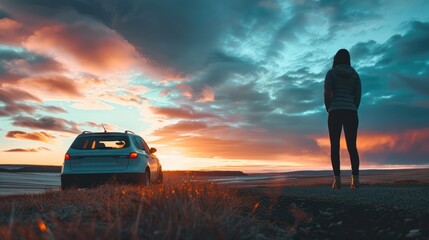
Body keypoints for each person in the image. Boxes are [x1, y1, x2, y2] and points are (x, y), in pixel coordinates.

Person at [324, 49, 362, 189]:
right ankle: (355, 180)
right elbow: (358, 95)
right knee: (352, 146)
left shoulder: (331, 73)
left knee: (335, 146)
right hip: (351, 112)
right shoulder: (355, 75)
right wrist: (353, 107)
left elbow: (327, 92)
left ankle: (337, 181)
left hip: (335, 112)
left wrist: (329, 107)